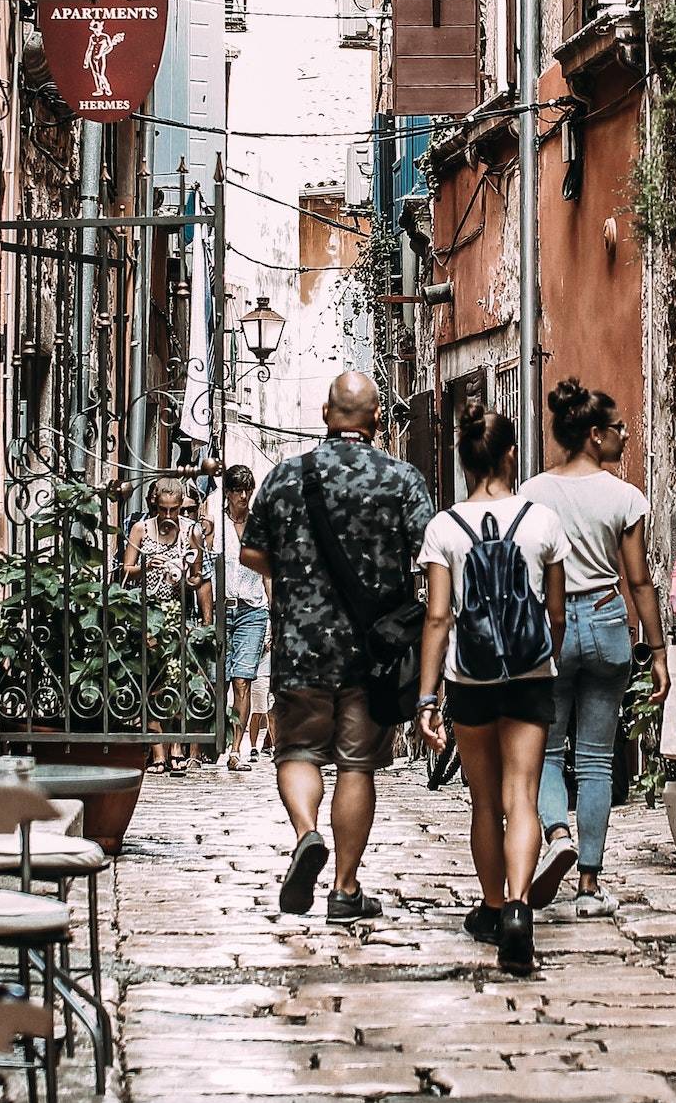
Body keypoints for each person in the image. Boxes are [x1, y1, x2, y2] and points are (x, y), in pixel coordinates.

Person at [239, 370, 432, 925]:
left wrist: (298, 574)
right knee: (356, 766)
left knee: (297, 751)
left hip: (300, 643)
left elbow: (252, 552)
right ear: (376, 420)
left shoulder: (284, 477)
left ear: (327, 415)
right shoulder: (401, 480)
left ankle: (306, 833)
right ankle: (346, 890)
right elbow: (427, 552)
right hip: (374, 652)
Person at [415, 409, 565, 976]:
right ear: (508, 456)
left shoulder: (444, 527)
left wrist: (428, 698)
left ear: (463, 462)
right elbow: (556, 611)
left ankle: (493, 905)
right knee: (522, 796)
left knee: (484, 802)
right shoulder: (542, 521)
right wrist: (543, 653)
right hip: (531, 675)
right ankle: (522, 910)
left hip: (469, 680)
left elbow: (436, 619)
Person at [521, 377, 669, 916]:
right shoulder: (625, 497)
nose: (625, 435)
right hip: (607, 621)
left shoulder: (533, 494)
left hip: (552, 628)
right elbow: (640, 582)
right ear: (592, 434)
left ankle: (557, 831)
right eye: (616, 428)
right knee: (597, 761)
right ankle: (588, 884)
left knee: (546, 751)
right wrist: (657, 651)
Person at [120, 476, 210, 773]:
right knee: (152, 680)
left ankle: (176, 747)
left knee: (178, 678)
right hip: (148, 612)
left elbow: (199, 578)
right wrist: (145, 566)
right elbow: (125, 571)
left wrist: (185, 575)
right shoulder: (140, 529)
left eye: (175, 510)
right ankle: (158, 752)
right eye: (164, 510)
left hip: (178, 612)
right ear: (154, 505)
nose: (169, 516)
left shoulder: (191, 531)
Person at [220, 463, 269, 768]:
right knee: (218, 680)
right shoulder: (214, 524)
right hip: (223, 609)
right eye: (237, 489)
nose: (243, 495)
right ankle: (211, 745)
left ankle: (236, 749)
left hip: (253, 610)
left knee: (243, 681)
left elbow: (268, 574)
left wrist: (276, 615)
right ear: (227, 492)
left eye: (247, 489)